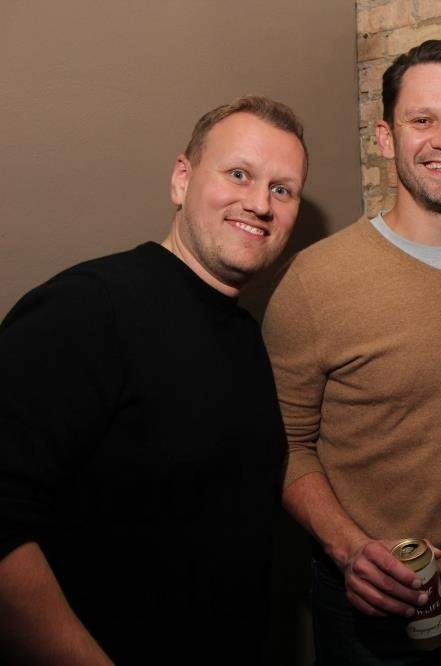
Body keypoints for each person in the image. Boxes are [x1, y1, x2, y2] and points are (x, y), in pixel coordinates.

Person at [0, 95, 309, 665]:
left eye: (282, 189)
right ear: (181, 179)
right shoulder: (87, 308)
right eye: (239, 174)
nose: (260, 203)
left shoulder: (245, 333)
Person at [262, 40, 441, 664]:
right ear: (387, 138)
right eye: (422, 120)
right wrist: (349, 549)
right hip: (369, 595)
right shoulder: (314, 282)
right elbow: (285, 445)